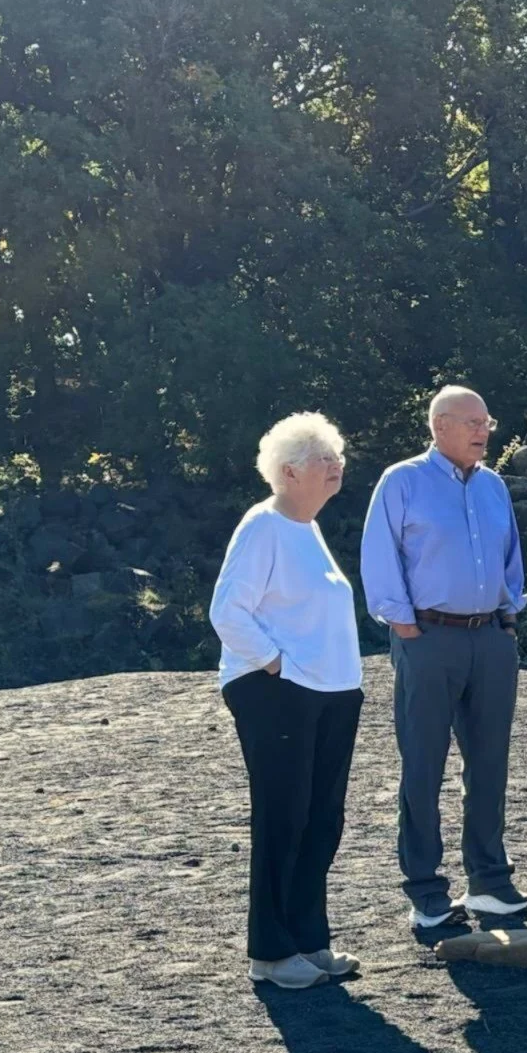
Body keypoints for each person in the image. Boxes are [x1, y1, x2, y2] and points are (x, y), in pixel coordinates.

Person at [360, 385, 527, 931]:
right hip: (427, 638)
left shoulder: (495, 486)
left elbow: (510, 558)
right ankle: (427, 893)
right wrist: (404, 623)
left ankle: (489, 883)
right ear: (439, 425)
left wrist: (508, 617)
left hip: (490, 640)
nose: (484, 432)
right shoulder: (402, 481)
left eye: (487, 422)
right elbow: (378, 554)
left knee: (490, 764)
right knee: (423, 765)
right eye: (472, 423)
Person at [209, 413, 366, 991]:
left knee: (322, 819)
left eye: (336, 455)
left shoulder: (307, 527)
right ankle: (271, 954)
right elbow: (227, 612)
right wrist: (279, 665)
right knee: (285, 816)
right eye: (323, 457)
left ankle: (307, 940)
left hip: (329, 693)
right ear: (289, 471)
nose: (336, 466)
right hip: (278, 693)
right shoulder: (264, 525)